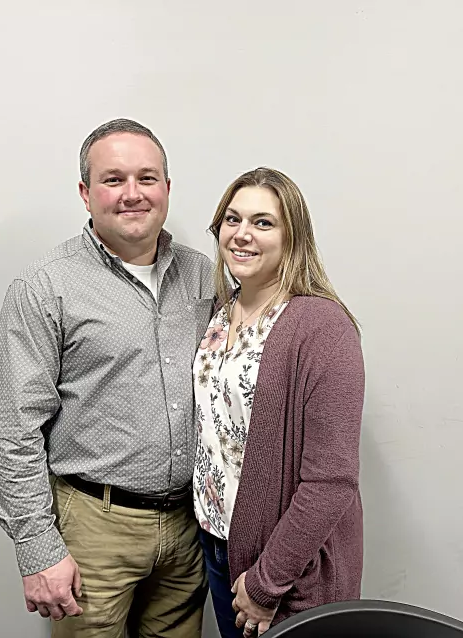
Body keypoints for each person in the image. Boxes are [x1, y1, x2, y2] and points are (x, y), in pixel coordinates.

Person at [0, 118, 215, 638]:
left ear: (167, 188)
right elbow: (13, 430)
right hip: (94, 528)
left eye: (147, 178)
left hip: (188, 528)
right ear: (86, 193)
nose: (133, 193)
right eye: (114, 180)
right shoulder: (45, 286)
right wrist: (38, 549)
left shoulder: (203, 275)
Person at [192, 167, 365, 637]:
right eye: (232, 219)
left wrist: (267, 582)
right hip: (219, 547)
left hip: (284, 570)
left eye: (263, 222)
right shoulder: (218, 315)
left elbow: (331, 481)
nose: (242, 234)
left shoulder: (323, 328)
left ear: (292, 236)